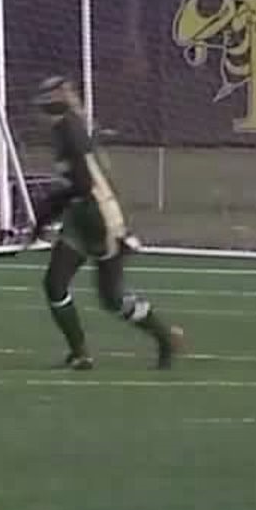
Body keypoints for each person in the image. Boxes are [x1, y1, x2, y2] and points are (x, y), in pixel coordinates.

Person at [28, 75, 185, 370]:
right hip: (80, 215)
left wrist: (44, 216)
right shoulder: (65, 129)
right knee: (55, 284)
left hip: (100, 219)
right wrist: (45, 220)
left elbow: (82, 185)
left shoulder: (71, 132)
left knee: (111, 298)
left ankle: (164, 337)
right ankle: (80, 353)